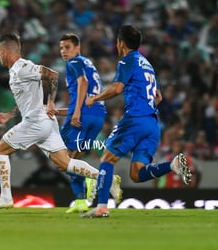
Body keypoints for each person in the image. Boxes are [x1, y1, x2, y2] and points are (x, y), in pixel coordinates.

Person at [0, 33, 122, 210]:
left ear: (6, 51)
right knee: (66, 164)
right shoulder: (16, 71)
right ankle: (106, 179)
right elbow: (27, 99)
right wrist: (10, 114)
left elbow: (52, 75)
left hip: (35, 123)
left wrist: (51, 100)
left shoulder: (22, 66)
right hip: (45, 123)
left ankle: (5, 197)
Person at [82, 25, 192, 218]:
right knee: (137, 173)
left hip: (135, 119)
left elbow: (116, 88)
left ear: (121, 43)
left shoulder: (127, 61)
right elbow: (158, 96)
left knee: (107, 158)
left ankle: (101, 207)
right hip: (152, 123)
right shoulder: (147, 63)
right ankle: (172, 165)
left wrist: (94, 98)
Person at [56, 33, 120, 214]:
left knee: (61, 158)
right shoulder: (87, 63)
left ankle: (96, 178)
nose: (63, 51)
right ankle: (80, 201)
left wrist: (76, 112)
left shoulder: (74, 62)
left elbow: (82, 83)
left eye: (67, 47)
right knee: (74, 159)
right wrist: (62, 112)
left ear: (77, 48)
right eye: (61, 48)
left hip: (84, 114)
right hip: (97, 116)